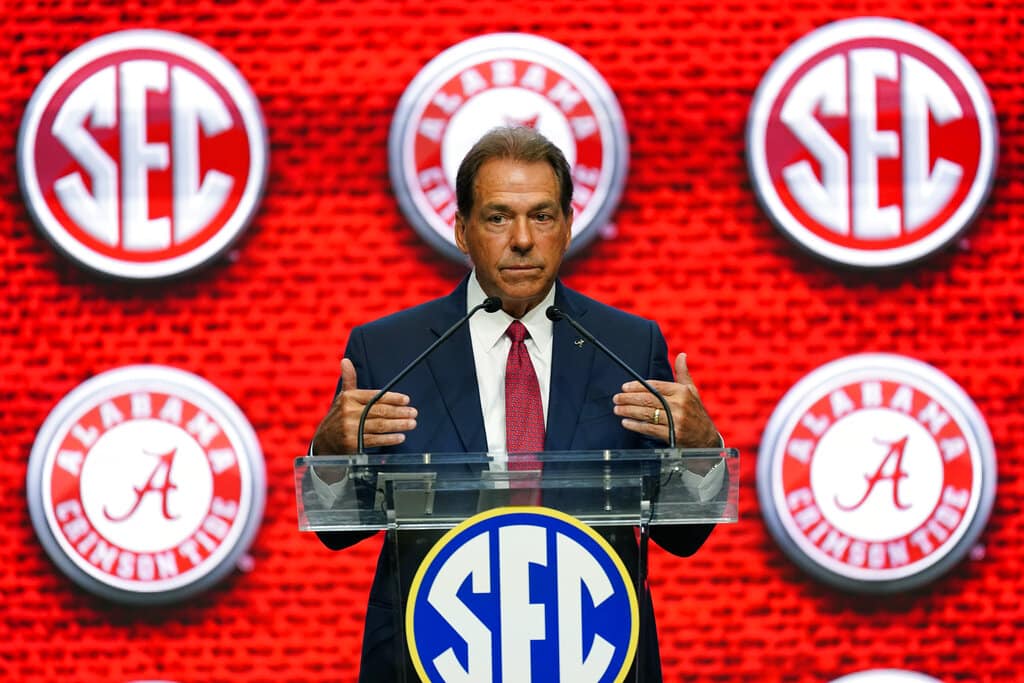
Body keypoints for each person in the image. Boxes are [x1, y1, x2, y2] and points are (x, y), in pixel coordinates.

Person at [311, 126, 723, 682]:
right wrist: (331, 453)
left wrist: (700, 449)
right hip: (433, 650)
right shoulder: (390, 350)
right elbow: (336, 531)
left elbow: (682, 536)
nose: (523, 238)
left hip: (595, 652)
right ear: (461, 230)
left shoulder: (628, 345)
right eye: (498, 216)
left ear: (569, 226)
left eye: (543, 216)